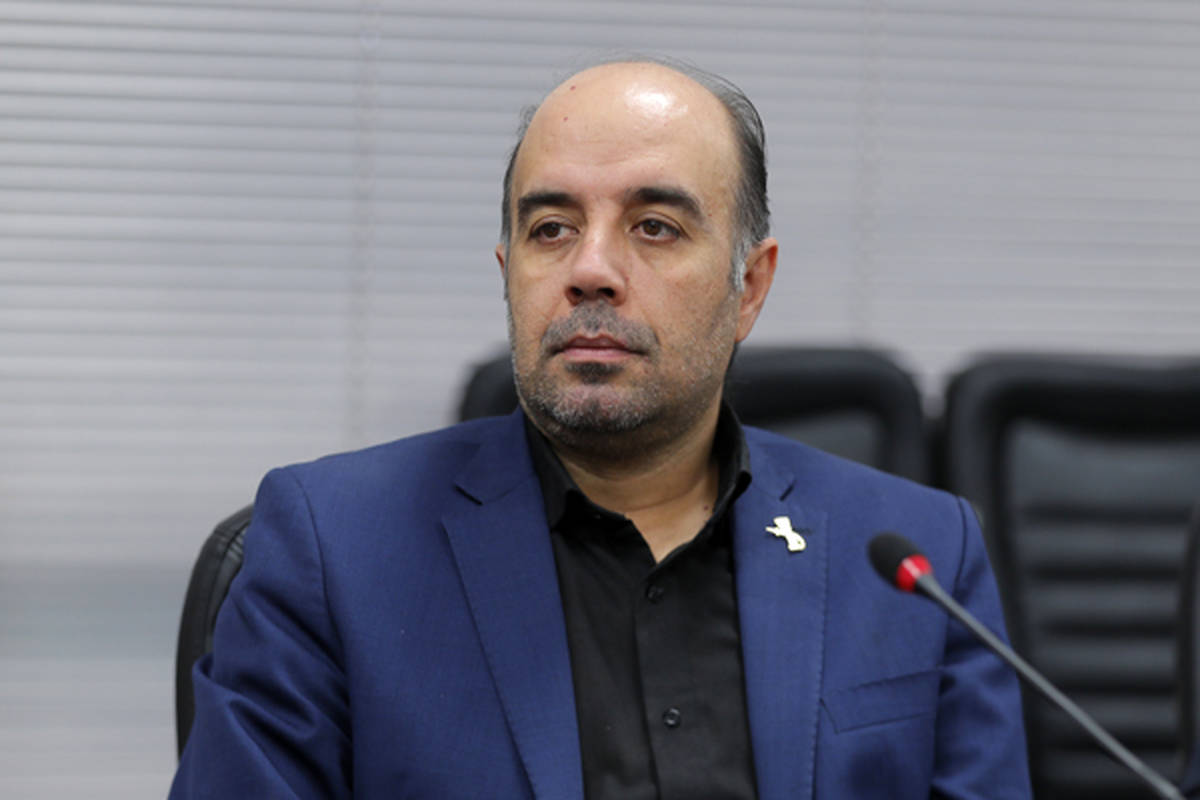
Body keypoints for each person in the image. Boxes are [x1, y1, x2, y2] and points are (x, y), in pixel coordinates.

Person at [170, 59, 1030, 799]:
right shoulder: (335, 547)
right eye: (551, 229)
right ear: (509, 272)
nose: (590, 269)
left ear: (750, 288)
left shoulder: (919, 558)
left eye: (655, 227)